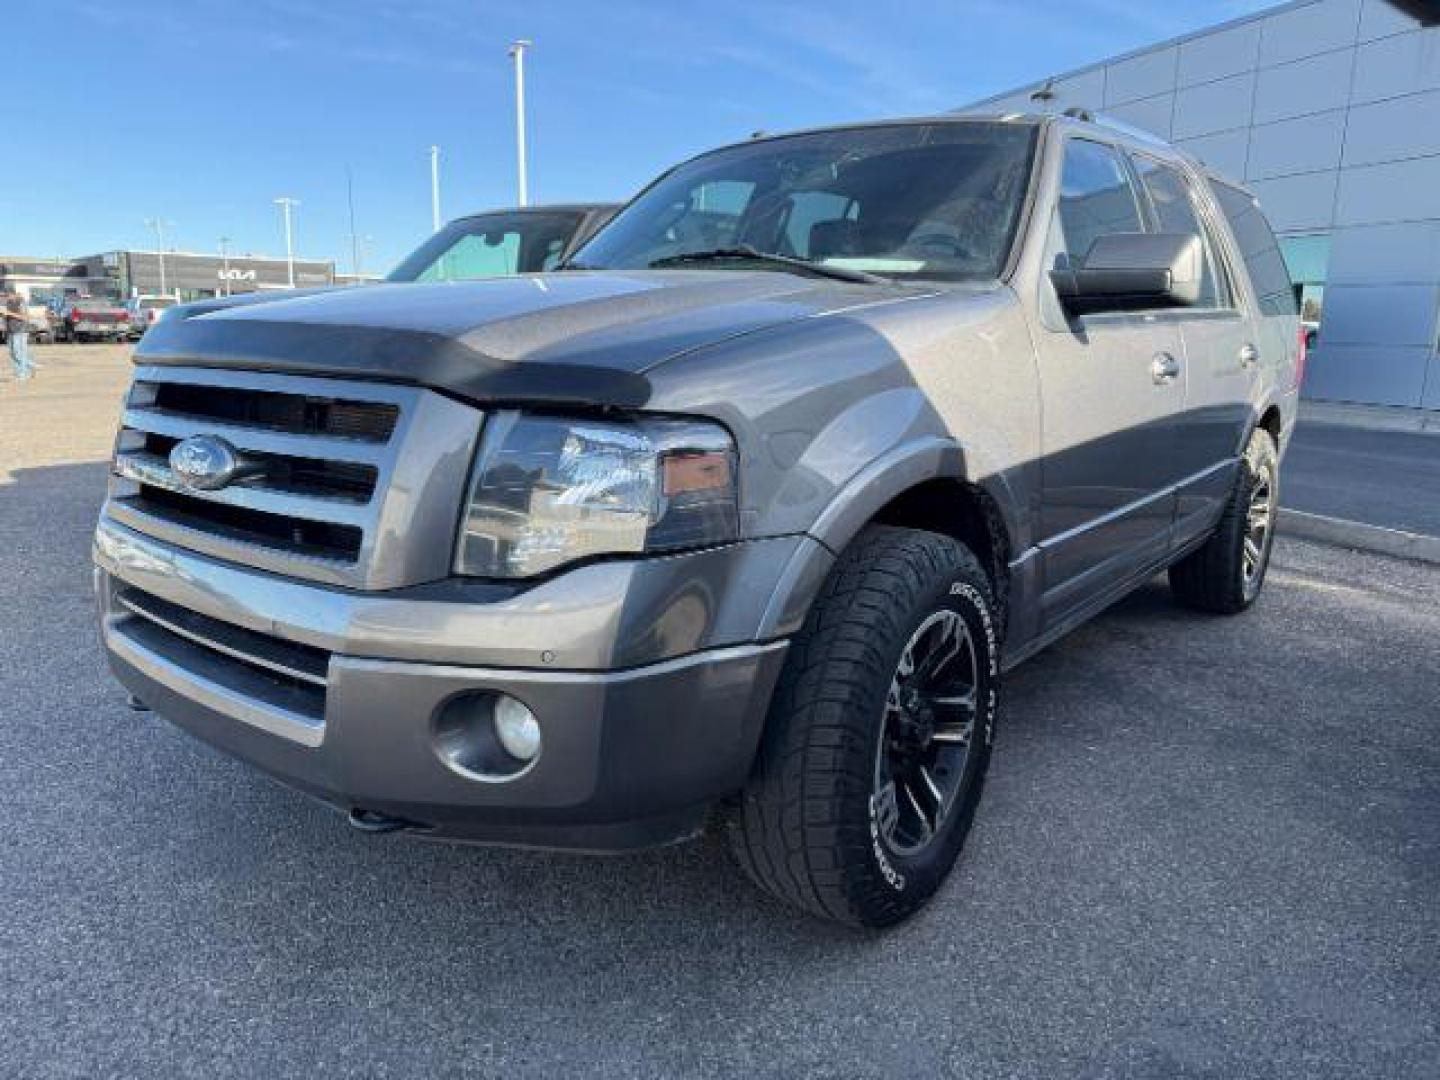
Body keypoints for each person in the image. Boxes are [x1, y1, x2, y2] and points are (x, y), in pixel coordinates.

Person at [4, 290, 35, 382]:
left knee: (19, 353)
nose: (7, 297)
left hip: (20, 331)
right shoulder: (8, 303)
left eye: (8, 295)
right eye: (6, 296)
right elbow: (9, 316)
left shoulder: (21, 303)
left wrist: (9, 314)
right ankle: (26, 369)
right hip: (11, 331)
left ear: (13, 294)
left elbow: (25, 317)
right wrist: (4, 316)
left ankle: (24, 372)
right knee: (12, 354)